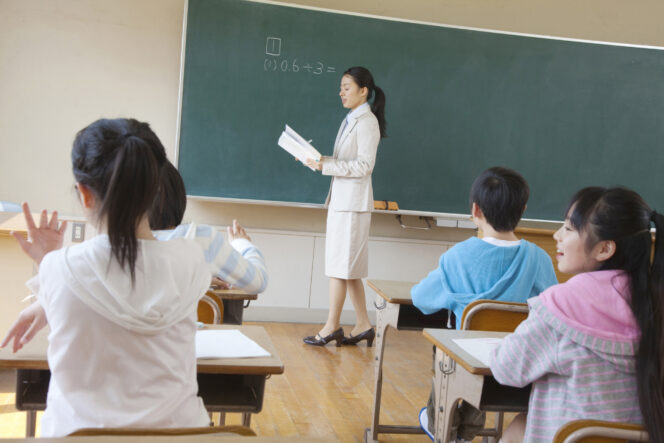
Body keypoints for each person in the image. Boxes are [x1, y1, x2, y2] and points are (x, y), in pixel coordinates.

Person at [1, 118, 211, 437]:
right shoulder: (192, 259)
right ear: (155, 189)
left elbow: (102, 283)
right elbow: (134, 281)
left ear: (85, 195)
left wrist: (49, 261)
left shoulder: (59, 268)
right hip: (180, 435)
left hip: (78, 436)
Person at [491, 187, 664, 443]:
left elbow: (506, 369)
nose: (557, 235)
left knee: (520, 427)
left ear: (604, 249)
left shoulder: (562, 306)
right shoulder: (655, 305)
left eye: (569, 229)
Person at [412, 166, 558, 441]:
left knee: (450, 345)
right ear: (523, 208)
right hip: (516, 364)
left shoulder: (458, 256)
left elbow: (421, 300)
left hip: (464, 363)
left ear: (475, 210)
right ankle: (466, 431)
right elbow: (554, 311)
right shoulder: (538, 258)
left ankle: (439, 423)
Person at [301, 66, 387, 346]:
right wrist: (319, 160)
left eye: (347, 87)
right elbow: (344, 160)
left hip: (352, 206)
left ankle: (331, 327)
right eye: (341, 87)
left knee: (339, 268)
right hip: (342, 202)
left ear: (364, 91)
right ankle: (363, 324)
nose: (341, 92)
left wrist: (327, 165)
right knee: (348, 269)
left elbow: (364, 166)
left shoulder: (367, 122)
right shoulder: (352, 118)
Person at [150, 162, 268, 300]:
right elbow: (259, 281)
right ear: (178, 196)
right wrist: (242, 244)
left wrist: (200, 278)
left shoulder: (121, 246)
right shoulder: (201, 239)